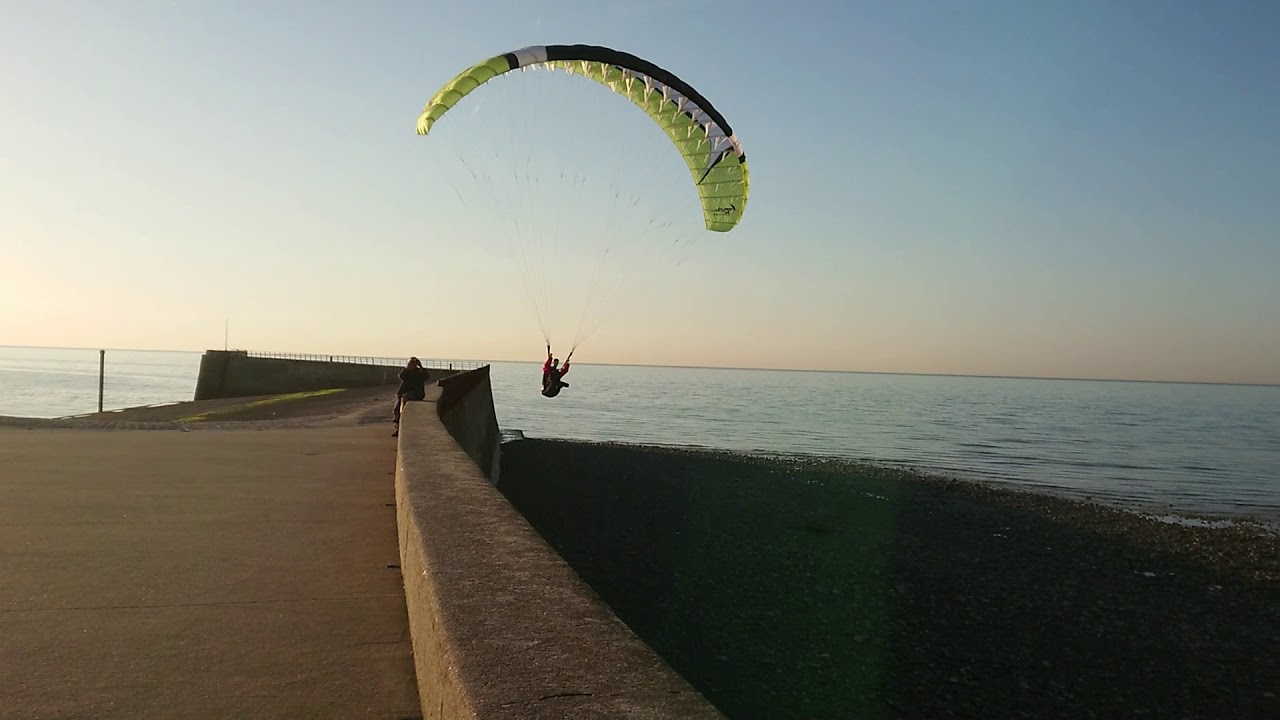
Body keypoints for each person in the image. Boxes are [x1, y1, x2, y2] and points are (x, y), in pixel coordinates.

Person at [392, 356, 430, 436]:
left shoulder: (419, 372)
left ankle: (401, 416)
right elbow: (401, 376)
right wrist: (407, 368)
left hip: (416, 393)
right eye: (411, 362)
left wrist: (420, 366)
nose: (412, 364)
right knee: (396, 410)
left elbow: (426, 376)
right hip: (404, 393)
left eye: (414, 362)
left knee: (404, 398)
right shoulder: (407, 372)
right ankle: (398, 428)